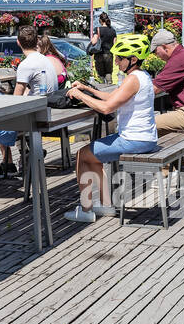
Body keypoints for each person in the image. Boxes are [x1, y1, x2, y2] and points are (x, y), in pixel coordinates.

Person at [65, 32, 158, 223]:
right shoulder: (141, 76)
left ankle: (86, 209)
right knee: (93, 156)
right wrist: (87, 89)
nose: (116, 62)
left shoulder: (133, 79)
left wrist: (79, 95)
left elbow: (107, 107)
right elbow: (113, 97)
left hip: (134, 140)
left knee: (83, 155)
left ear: (133, 59)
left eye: (119, 58)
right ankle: (105, 206)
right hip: (145, 138)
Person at [14, 25, 58, 96]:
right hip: (50, 101)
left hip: (37, 104)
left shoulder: (26, 64)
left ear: (18, 42)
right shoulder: (45, 59)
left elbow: (16, 97)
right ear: (37, 41)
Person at [90, 12, 116, 81]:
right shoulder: (112, 30)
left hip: (99, 55)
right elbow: (115, 43)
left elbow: (94, 42)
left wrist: (93, 38)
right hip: (109, 54)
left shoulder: (97, 29)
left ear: (101, 20)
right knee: (108, 73)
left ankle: (101, 88)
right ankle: (109, 86)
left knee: (100, 74)